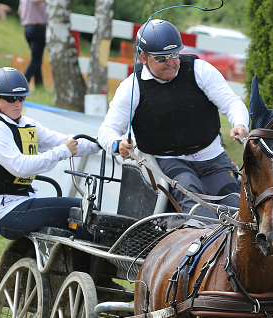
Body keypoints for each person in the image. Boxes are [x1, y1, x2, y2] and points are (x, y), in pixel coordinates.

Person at [97, 19, 249, 218]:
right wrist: (117, 144)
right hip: (169, 161)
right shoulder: (130, 87)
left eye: (174, 54)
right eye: (161, 58)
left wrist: (239, 123)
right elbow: (105, 131)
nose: (170, 62)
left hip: (211, 157)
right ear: (143, 57)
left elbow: (232, 103)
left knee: (237, 207)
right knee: (196, 203)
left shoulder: (200, 70)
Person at [0, 67, 100, 240]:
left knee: (86, 213)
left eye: (22, 97)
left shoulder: (26, 124)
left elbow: (64, 141)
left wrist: (104, 143)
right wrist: (62, 152)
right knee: (82, 210)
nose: (18, 103)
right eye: (11, 99)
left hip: (24, 203)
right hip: (7, 213)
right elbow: (21, 167)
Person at [18, 0, 47, 88]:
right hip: (38, 28)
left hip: (27, 28)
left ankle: (39, 84)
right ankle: (22, 84)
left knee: (37, 58)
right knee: (36, 59)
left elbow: (19, 12)